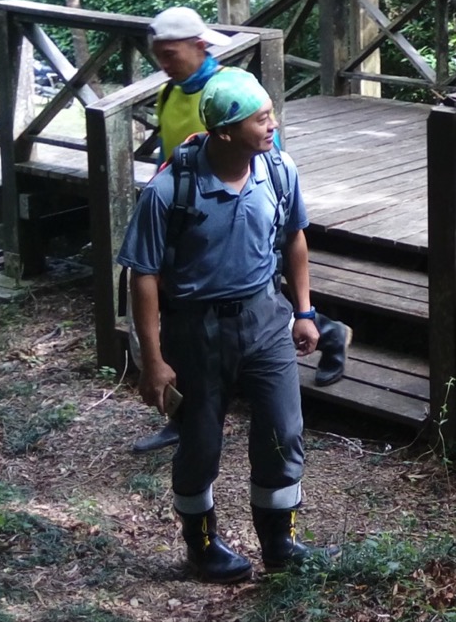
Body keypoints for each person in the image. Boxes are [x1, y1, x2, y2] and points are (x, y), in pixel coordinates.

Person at [120, 67, 334, 581]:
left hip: (265, 318)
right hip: (196, 330)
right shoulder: (168, 191)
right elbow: (143, 276)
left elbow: (294, 239)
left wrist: (304, 312)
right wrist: (153, 360)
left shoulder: (278, 171)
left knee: (284, 430)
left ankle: (281, 543)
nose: (272, 124)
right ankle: (202, 547)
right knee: (200, 441)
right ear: (224, 132)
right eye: (261, 118)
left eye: (270, 114)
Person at [128, 8, 351, 457]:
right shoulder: (171, 94)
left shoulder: (232, 92)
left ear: (200, 46)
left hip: (244, 221)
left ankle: (324, 329)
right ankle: (186, 420)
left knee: (258, 302)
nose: (164, 64)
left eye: (170, 54)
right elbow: (168, 159)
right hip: (194, 224)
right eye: (159, 56)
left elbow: (269, 164)